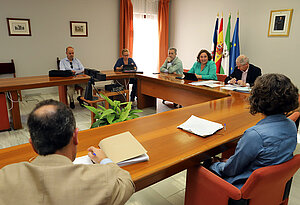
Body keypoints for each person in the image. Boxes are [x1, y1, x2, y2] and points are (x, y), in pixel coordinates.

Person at [0, 100, 135, 204]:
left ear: (32, 145)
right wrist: (105, 160)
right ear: (75, 136)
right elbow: (127, 183)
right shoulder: (100, 179)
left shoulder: (5, 177)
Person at [209, 73, 299, 189]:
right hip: (272, 187)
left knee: (205, 165)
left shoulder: (255, 135)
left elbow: (230, 170)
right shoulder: (292, 126)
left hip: (242, 188)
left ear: (257, 99)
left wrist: (216, 164)